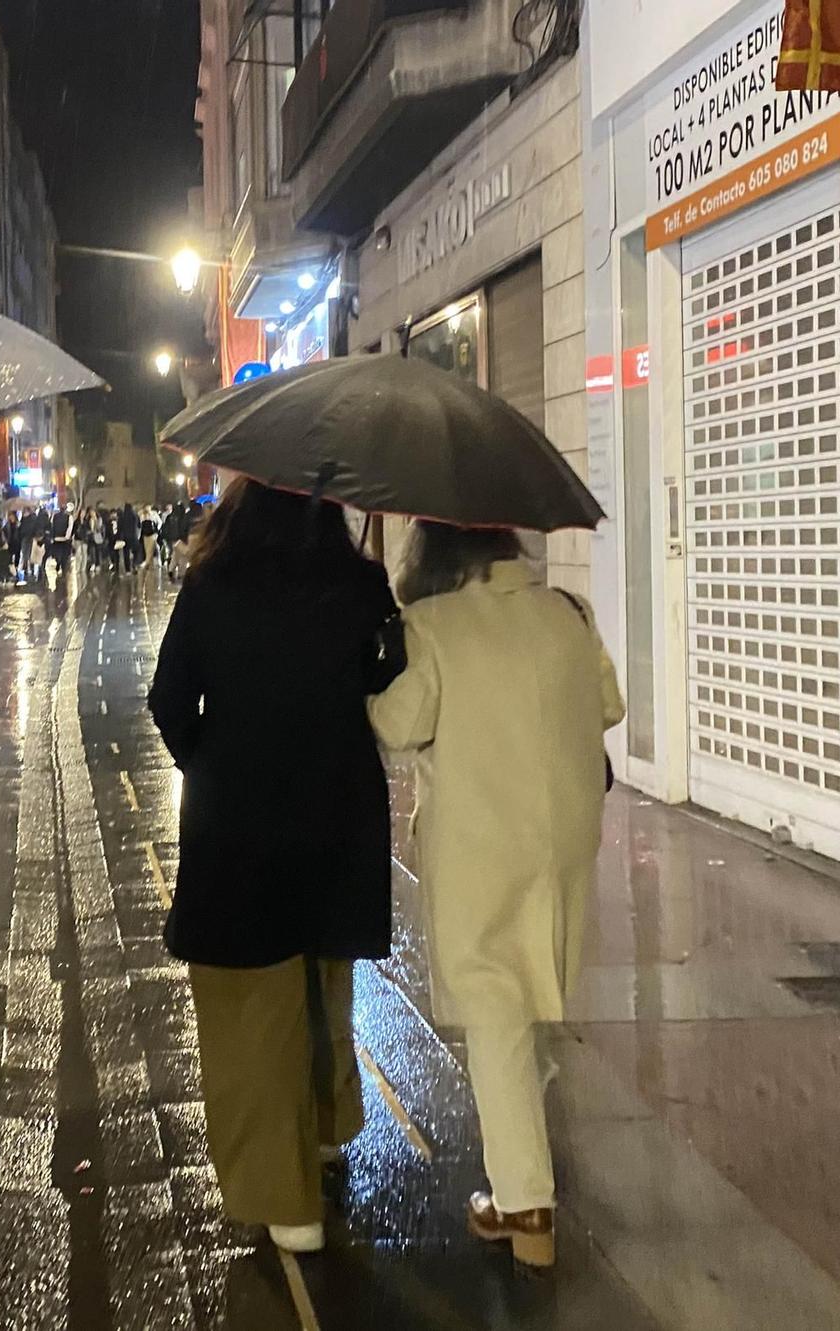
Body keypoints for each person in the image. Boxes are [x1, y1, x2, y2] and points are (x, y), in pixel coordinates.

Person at [146, 478, 402, 1255]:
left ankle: (287, 1199)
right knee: (323, 984)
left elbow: (168, 699)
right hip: (335, 815)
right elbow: (381, 675)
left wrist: (209, 763)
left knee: (253, 1011)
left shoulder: (212, 582)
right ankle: (323, 1133)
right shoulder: (357, 579)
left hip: (239, 827)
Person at [368, 521, 624, 1270]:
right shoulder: (567, 612)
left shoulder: (434, 625)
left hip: (480, 839)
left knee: (493, 1004)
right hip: (563, 837)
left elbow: (397, 722)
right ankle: (526, 1153)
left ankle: (524, 1202)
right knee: (537, 982)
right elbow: (606, 705)